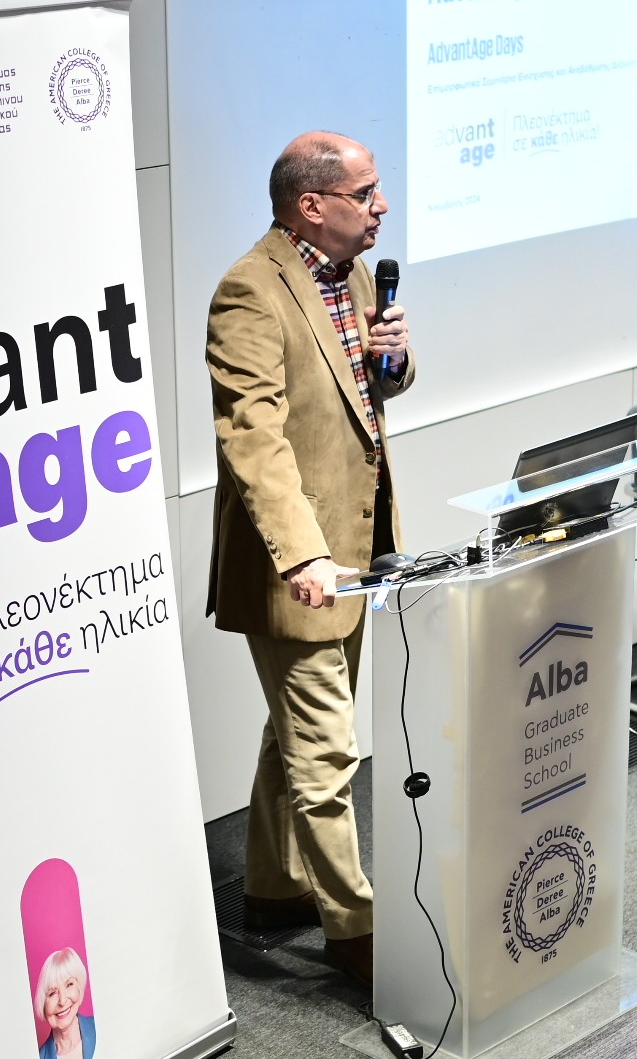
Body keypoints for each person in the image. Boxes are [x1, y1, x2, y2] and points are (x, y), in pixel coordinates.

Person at [204, 131, 415, 987]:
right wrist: (302, 556)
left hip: (357, 549)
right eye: (366, 193)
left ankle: (272, 885)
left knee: (294, 728)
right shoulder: (249, 292)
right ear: (311, 205)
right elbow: (252, 437)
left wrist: (392, 360)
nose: (381, 206)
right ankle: (357, 933)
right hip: (300, 566)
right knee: (326, 751)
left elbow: (361, 396)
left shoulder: (352, 275)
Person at [36, 947, 97, 1059]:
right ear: (43, 1004)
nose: (62, 1001)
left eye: (69, 985)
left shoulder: (101, 1025)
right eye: (52, 993)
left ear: (79, 987)